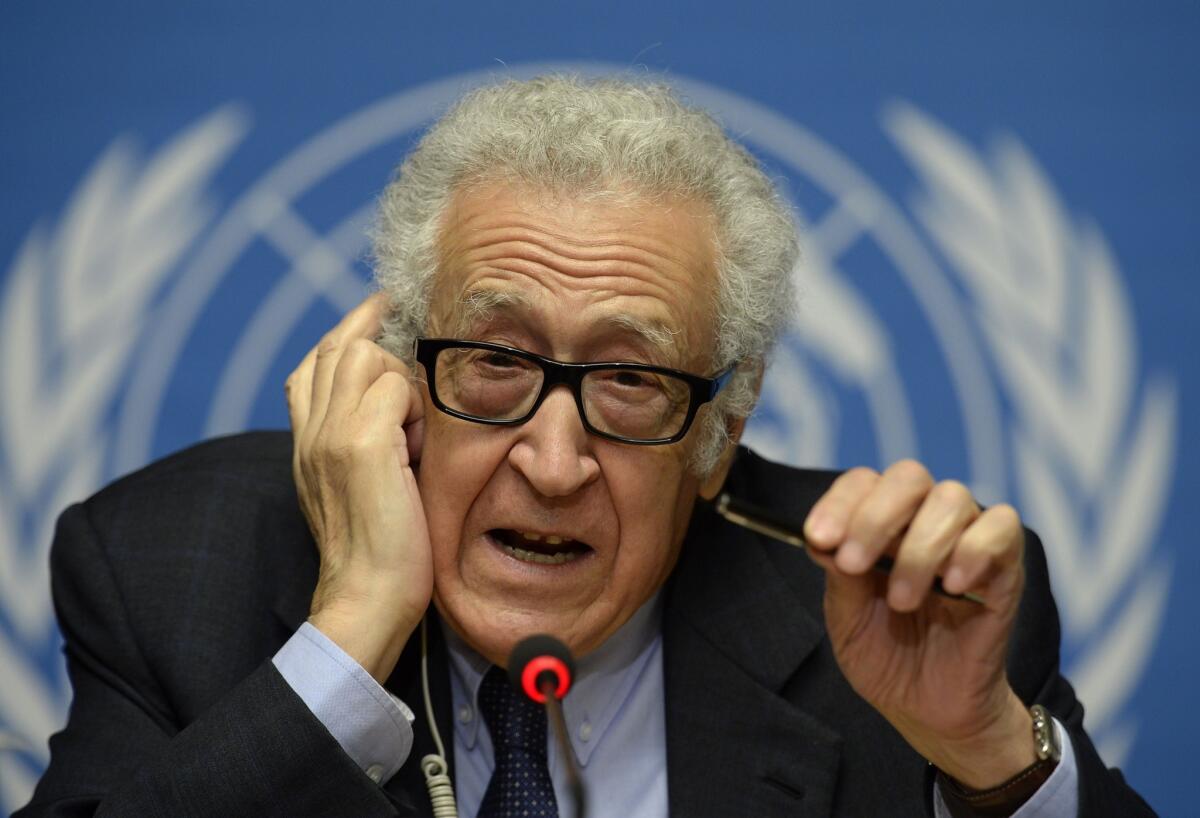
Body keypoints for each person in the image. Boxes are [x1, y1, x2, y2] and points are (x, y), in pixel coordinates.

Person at [18, 75, 1154, 817]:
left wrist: (998, 755)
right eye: (495, 361)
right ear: (393, 375)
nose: (553, 463)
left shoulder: (894, 615)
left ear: (721, 431)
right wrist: (351, 625)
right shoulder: (171, 569)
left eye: (630, 379)